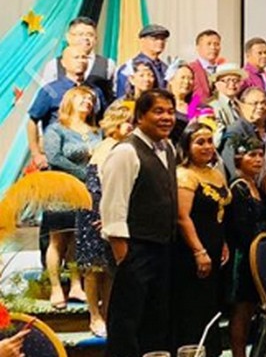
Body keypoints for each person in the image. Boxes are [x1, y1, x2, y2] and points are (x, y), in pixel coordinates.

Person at [100, 90, 178, 357]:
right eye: (158, 111)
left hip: (162, 248)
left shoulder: (168, 148)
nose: (166, 117)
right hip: (135, 251)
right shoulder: (125, 151)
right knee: (127, 325)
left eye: (170, 111)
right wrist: (124, 257)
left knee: (156, 323)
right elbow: (113, 207)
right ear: (140, 116)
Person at [172, 123, 230, 356]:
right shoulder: (184, 175)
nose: (207, 147)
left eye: (209, 141)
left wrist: (223, 242)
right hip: (191, 250)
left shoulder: (215, 172)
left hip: (215, 247)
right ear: (187, 145)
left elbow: (220, 211)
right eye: (200, 142)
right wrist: (199, 251)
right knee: (193, 308)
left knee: (210, 307)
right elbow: (182, 217)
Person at [41, 86, 100, 311]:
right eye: (82, 98)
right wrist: (86, 174)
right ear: (69, 101)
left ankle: (77, 285)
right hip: (63, 189)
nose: (88, 101)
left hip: (88, 193)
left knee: (78, 237)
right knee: (58, 239)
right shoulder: (57, 129)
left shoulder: (96, 131)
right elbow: (54, 157)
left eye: (91, 99)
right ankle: (57, 287)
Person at [77, 103, 132, 338]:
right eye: (128, 121)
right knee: (94, 268)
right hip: (94, 211)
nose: (132, 126)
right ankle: (94, 315)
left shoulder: (123, 147)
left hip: (106, 211)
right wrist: (103, 215)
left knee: (109, 268)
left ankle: (108, 313)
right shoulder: (108, 147)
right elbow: (97, 186)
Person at [225, 136, 266, 357]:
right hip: (243, 258)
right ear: (239, 159)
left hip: (257, 255)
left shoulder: (255, 185)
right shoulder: (238, 187)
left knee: (251, 308)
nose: (258, 160)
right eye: (252, 155)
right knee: (241, 312)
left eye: (261, 155)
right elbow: (241, 229)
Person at [28, 46, 106, 171]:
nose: (81, 61)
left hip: (91, 161)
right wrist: (36, 153)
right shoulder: (50, 90)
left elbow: (102, 121)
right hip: (60, 160)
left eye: (84, 57)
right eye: (76, 57)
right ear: (63, 63)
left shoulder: (95, 91)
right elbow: (32, 121)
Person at [39, 17, 116, 105]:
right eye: (80, 34)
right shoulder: (54, 65)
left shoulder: (108, 65)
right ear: (68, 37)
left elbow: (113, 97)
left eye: (90, 35)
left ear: (96, 39)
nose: (85, 38)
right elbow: (45, 98)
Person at [115, 24, 170, 94]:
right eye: (155, 39)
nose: (160, 42)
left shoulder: (165, 68)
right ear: (142, 41)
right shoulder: (130, 68)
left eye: (163, 39)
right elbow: (123, 96)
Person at [205, 63, 245, 143]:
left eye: (236, 80)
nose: (232, 84)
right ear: (217, 84)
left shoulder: (239, 105)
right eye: (227, 80)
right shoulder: (213, 106)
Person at [186, 29, 223, 105]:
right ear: (198, 47)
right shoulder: (190, 69)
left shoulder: (223, 70)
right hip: (198, 111)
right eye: (208, 44)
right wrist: (192, 113)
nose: (213, 47)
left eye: (217, 44)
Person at [165, 61, 194, 143]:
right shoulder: (163, 104)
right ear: (171, 80)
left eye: (190, 78)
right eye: (183, 77)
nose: (187, 82)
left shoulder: (195, 104)